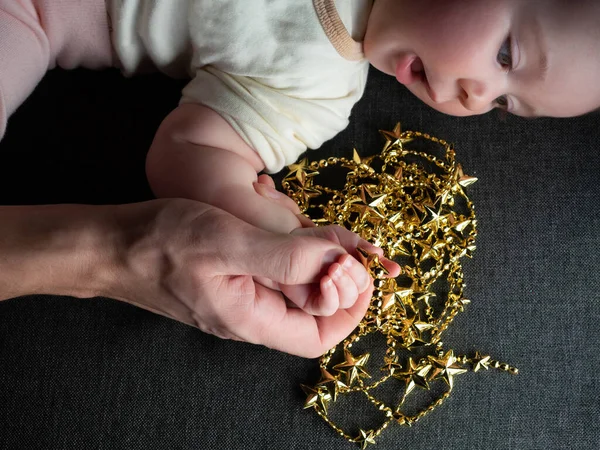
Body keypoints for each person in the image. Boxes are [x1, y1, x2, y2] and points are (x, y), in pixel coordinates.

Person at [0, 0, 597, 353]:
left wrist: (274, 231)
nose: (476, 93)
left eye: (503, 104)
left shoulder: (319, 89)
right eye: (505, 57)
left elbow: (189, 150)